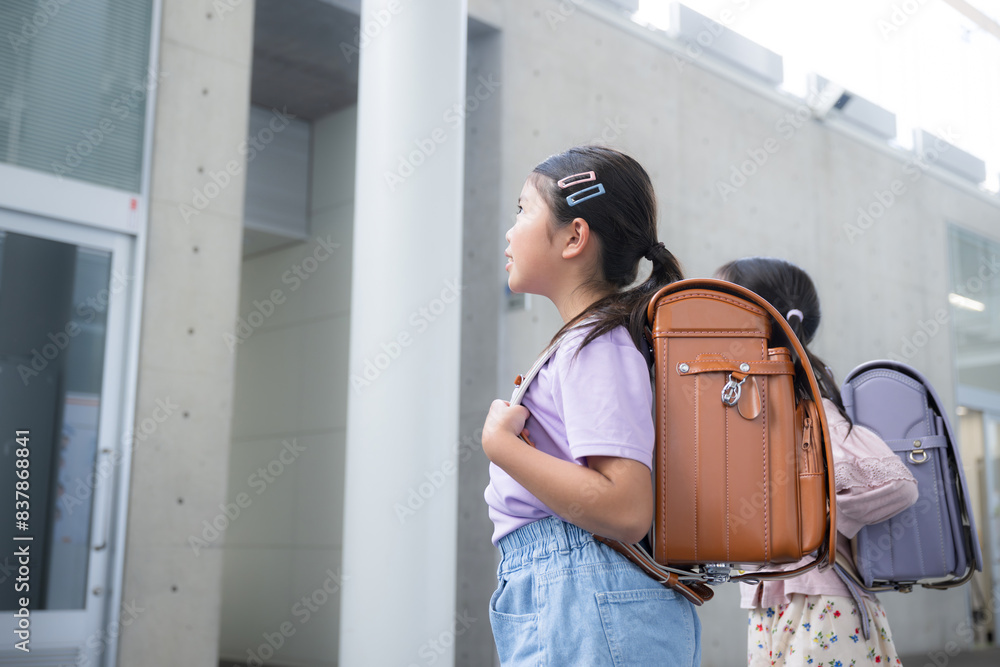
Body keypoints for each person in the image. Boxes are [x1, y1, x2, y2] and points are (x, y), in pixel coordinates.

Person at [482, 145, 701, 666]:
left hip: (581, 592)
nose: (510, 232)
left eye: (522, 211)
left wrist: (501, 446)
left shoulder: (594, 346)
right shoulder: (589, 341)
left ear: (575, 236)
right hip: (573, 592)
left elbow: (624, 510)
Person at [715, 257, 919, 667]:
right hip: (772, 604)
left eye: (722, 308)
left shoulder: (811, 408)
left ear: (757, 322)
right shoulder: (748, 406)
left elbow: (899, 485)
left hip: (822, 603)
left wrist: (813, 515)